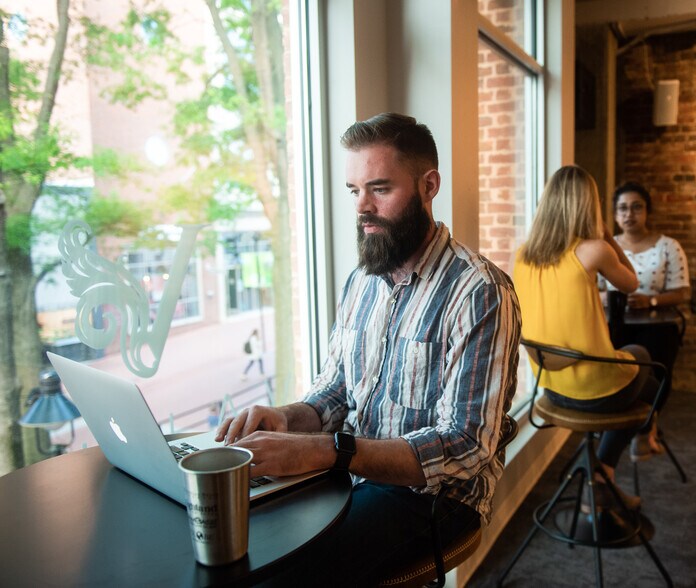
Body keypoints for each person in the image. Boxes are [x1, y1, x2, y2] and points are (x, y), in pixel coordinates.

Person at [215, 113, 521, 586]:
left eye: (380, 188)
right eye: (354, 190)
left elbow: (466, 446)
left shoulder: (480, 291)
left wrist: (328, 452)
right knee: (237, 537)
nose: (362, 207)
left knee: (278, 576)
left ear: (429, 186)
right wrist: (286, 419)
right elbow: (337, 390)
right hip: (352, 472)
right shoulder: (361, 281)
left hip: (436, 499)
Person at [512, 165, 658, 511]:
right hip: (594, 393)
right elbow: (632, 282)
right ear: (588, 205)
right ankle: (607, 468)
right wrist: (608, 237)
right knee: (645, 362)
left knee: (639, 369)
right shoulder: (594, 250)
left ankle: (607, 468)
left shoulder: (523, 254)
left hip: (550, 388)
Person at [602, 181, 690, 460]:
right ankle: (632, 427)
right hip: (615, 323)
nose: (629, 214)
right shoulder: (606, 248)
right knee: (615, 369)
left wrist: (650, 301)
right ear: (615, 214)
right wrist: (611, 297)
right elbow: (592, 288)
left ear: (647, 211)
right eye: (622, 208)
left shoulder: (668, 246)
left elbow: (682, 292)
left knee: (656, 370)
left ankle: (642, 428)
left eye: (636, 207)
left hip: (656, 323)